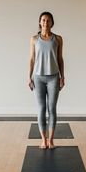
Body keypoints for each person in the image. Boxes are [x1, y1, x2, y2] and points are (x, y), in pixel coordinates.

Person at [27, 11, 64, 150]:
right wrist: (28, 77)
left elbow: (60, 59)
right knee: (41, 109)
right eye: (43, 20)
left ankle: (51, 140)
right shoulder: (34, 39)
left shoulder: (58, 39)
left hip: (54, 77)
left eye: (48, 20)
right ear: (39, 22)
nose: (45, 23)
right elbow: (31, 59)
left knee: (52, 109)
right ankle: (43, 140)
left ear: (52, 23)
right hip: (38, 77)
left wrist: (62, 77)